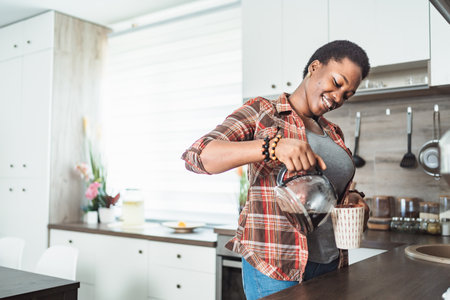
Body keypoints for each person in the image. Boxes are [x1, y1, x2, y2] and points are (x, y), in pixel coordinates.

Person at [181, 40, 371, 299]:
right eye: (337, 83)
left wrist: (355, 199)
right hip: (278, 267)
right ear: (314, 67)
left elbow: (326, 190)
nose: (338, 98)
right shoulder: (263, 112)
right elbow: (197, 155)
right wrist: (272, 148)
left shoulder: (334, 132)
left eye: (347, 94)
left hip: (331, 261)